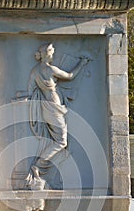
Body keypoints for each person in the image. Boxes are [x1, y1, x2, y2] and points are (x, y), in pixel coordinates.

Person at [26, 43, 89, 188]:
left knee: (57, 141)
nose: (53, 56)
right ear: (47, 54)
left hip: (46, 108)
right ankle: (38, 165)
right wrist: (82, 63)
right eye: (52, 53)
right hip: (53, 108)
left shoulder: (34, 71)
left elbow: (30, 91)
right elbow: (70, 76)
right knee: (61, 142)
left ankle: (50, 170)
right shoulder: (50, 69)